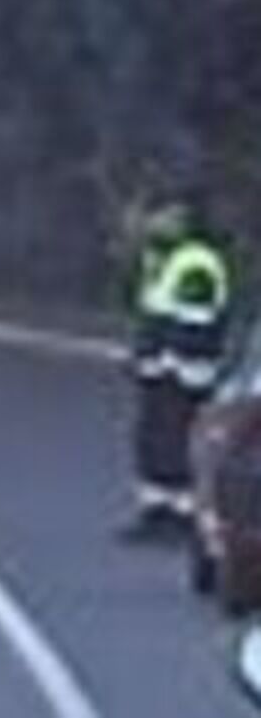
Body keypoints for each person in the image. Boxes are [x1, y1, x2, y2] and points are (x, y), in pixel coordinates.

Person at [123, 197, 233, 539]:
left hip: (184, 372)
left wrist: (167, 361)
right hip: (161, 370)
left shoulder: (196, 262)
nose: (150, 223)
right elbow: (149, 311)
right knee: (153, 439)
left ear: (182, 220)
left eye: (161, 217)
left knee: (177, 440)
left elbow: (195, 320)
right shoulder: (160, 258)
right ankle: (156, 509)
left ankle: (183, 515)